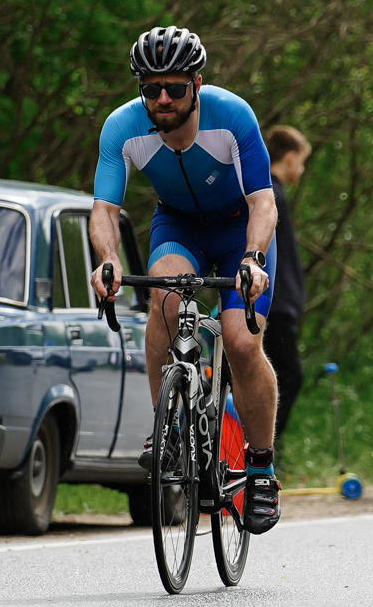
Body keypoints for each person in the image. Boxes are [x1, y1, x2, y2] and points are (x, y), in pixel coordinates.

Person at [90, 27, 284, 533]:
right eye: (151, 89)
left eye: (174, 88)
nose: (162, 99)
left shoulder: (232, 115)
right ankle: (170, 429)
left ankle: (261, 467)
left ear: (196, 84)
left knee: (241, 343)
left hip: (240, 231)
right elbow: (104, 208)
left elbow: (263, 201)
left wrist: (253, 258)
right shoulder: (122, 127)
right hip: (179, 227)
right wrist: (108, 259)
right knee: (165, 297)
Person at [264, 125, 313, 450]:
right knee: (288, 376)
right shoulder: (272, 194)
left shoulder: (273, 192)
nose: (303, 169)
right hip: (274, 305)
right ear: (291, 157)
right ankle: (261, 448)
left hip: (279, 303)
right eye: (303, 161)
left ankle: (257, 448)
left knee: (277, 375)